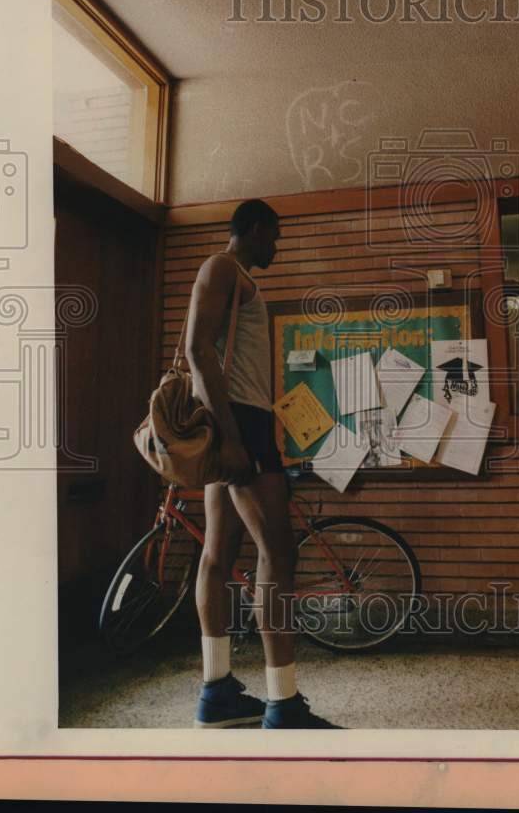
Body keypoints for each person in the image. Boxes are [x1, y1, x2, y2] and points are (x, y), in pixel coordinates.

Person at [185, 198, 339, 730]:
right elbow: (196, 349)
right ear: (251, 228)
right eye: (273, 234)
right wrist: (232, 438)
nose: (277, 244)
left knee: (219, 553)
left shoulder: (235, 276)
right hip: (239, 426)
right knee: (278, 553)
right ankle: (284, 703)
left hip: (236, 424)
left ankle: (217, 692)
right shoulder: (220, 268)